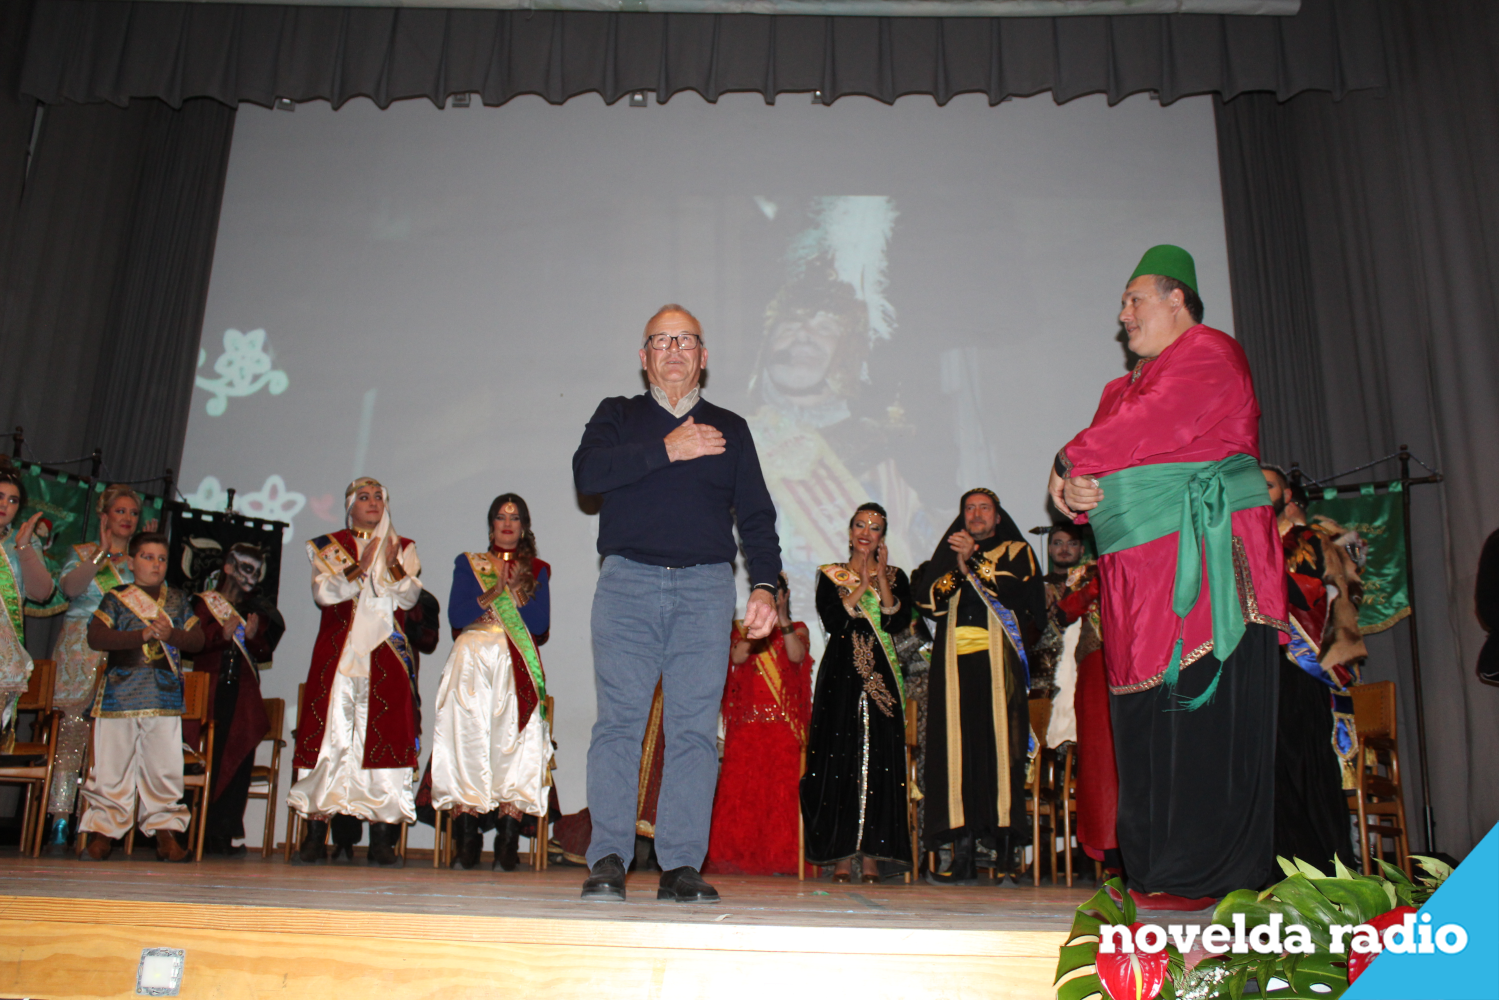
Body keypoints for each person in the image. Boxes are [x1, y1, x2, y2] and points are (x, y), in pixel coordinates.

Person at [1048, 245, 1289, 910]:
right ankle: (1155, 870)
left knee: (1201, 715)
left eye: (1134, 300)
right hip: (1136, 584)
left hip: (1203, 565)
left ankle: (1208, 876)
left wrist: (1068, 458)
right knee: (1145, 724)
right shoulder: (1115, 391)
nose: (1122, 315)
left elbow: (1155, 423)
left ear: (1176, 298)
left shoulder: (1210, 353)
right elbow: (1104, 462)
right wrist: (1078, 488)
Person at [572, 304, 781, 903]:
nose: (673, 350)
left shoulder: (731, 428)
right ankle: (609, 857)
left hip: (704, 590)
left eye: (685, 340)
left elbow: (757, 515)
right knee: (619, 724)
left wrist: (765, 585)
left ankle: (681, 864)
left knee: (693, 730)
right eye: (660, 340)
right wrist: (669, 448)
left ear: (703, 357)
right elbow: (588, 475)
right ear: (644, 358)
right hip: (627, 585)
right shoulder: (617, 416)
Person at [289, 477, 422, 867]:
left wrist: (391, 565)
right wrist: (358, 570)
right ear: (350, 506)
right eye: (364, 497)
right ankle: (315, 834)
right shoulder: (329, 547)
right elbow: (323, 593)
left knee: (383, 737)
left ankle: (382, 839)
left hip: (385, 657)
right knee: (329, 741)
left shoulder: (402, 546)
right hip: (339, 657)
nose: (373, 502)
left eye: (379, 496)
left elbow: (409, 597)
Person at [917, 489, 1045, 885]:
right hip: (953, 669)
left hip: (998, 666)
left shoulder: (1016, 550)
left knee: (1001, 755)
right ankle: (964, 857)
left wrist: (973, 557)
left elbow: (1013, 589)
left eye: (984, 508)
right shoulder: (950, 552)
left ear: (997, 516)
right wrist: (959, 566)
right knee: (957, 758)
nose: (975, 514)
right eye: (969, 508)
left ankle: (1005, 855)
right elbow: (929, 601)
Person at [430, 493, 552, 872]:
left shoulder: (538, 569)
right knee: (466, 741)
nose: (507, 523)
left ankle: (507, 840)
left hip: (515, 663)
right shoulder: (469, 564)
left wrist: (517, 594)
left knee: (514, 744)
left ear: (524, 527)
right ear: (491, 526)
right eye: (500, 516)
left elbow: (540, 625)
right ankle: (467, 840)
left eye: (515, 518)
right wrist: (495, 593)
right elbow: (457, 616)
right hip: (471, 662)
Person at [76, 531, 205, 861]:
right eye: (147, 557)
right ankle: (103, 833)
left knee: (164, 768)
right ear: (131, 562)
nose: (156, 564)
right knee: (111, 767)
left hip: (164, 696)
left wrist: (171, 634)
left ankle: (166, 834)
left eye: (162, 559)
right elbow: (96, 637)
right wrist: (142, 635)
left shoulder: (177, 599)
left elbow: (198, 641)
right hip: (119, 693)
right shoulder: (116, 597)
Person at [801, 504, 912, 882]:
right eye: (860, 525)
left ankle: (873, 855)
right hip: (841, 676)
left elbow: (897, 621)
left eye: (875, 527)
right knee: (840, 761)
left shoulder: (896, 576)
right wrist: (862, 584)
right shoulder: (830, 575)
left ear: (882, 537)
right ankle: (842, 855)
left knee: (881, 761)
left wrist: (880, 579)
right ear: (850, 533)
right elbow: (834, 620)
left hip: (882, 678)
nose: (866, 532)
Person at [1263, 466, 1366, 870]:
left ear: (1287, 496)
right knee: (1269, 771)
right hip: (1259, 667)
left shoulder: (1309, 539)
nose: (1258, 491)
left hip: (1302, 666)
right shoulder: (1246, 541)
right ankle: (1279, 868)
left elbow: (1318, 596)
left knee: (1308, 766)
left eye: (1268, 485)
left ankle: (1328, 870)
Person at [46, 484, 145, 847]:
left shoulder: (139, 561)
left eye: (133, 513)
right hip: (81, 648)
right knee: (72, 731)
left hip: (123, 652)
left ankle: (101, 819)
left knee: (113, 739)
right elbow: (70, 589)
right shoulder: (83, 553)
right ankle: (60, 815)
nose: (127, 518)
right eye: (120, 511)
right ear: (104, 516)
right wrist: (101, 554)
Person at [707, 572, 812, 876]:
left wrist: (782, 617)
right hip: (748, 727)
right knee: (742, 797)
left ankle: (781, 860)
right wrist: (759, 625)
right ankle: (739, 858)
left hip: (784, 729)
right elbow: (738, 658)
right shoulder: (743, 629)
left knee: (781, 799)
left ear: (785, 596)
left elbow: (796, 656)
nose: (773, 598)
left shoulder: (797, 628)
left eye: (778, 593)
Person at [188, 543, 285, 855]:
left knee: (238, 764)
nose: (251, 578)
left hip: (241, 694)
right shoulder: (203, 603)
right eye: (245, 568)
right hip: (210, 691)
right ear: (228, 567)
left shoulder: (257, 610)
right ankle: (192, 831)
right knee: (205, 760)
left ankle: (221, 834)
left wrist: (253, 637)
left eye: (256, 572)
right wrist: (221, 636)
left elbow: (264, 652)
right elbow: (192, 643)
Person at [1039, 524, 1120, 874]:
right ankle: (1108, 851)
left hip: (1139, 667)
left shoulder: (1144, 563)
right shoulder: (1086, 575)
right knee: (1099, 762)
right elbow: (1064, 611)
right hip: (1091, 672)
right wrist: (1096, 585)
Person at [0, 460, 57, 751]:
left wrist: (23, 548)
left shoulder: (24, 540)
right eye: (0, 496)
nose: (5, 505)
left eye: (13, 500)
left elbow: (42, 592)